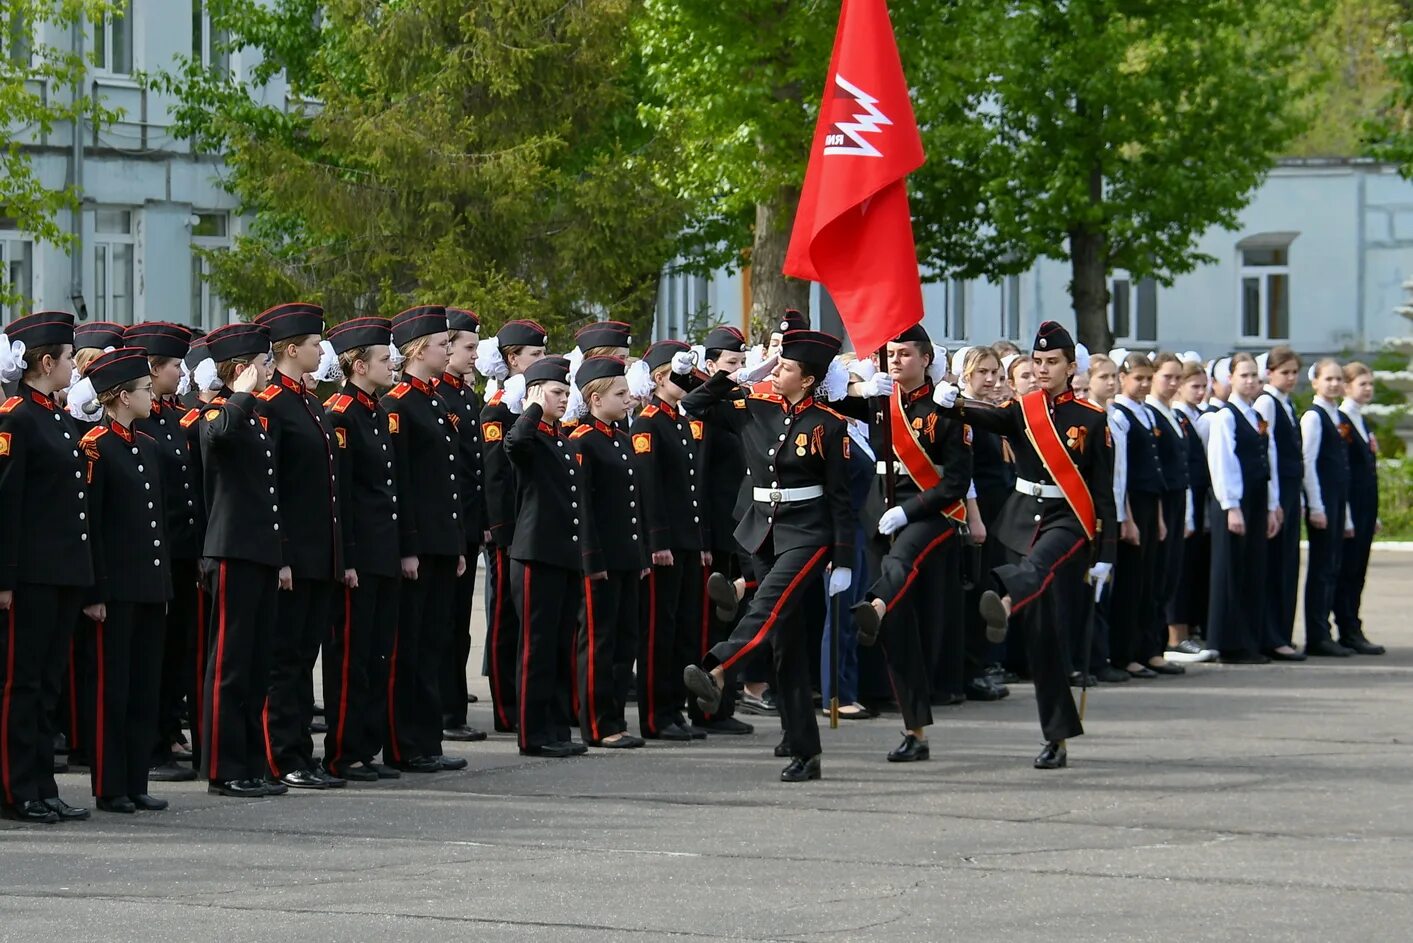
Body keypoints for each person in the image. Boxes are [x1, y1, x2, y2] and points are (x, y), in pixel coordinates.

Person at [933, 321, 1116, 770]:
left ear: (1072, 368)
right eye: (1038, 362)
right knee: (1043, 639)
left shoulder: (1091, 420)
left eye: (1052, 362)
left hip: (1066, 522)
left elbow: (1103, 491)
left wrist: (1106, 553)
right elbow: (983, 414)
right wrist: (949, 403)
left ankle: (1009, 597)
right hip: (1019, 522)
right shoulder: (1021, 409)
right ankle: (1057, 735)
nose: (1043, 369)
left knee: (1040, 568)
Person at [682, 330, 855, 783]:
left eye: (786, 368)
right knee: (786, 646)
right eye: (776, 365)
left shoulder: (829, 424)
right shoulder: (752, 407)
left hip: (807, 532)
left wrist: (844, 557)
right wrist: (736, 375)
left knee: (767, 605)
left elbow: (840, 497)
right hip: (761, 531)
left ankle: (717, 666)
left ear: (809, 379)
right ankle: (804, 749)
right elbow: (695, 405)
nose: (777, 371)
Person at [849, 324, 972, 763]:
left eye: (905, 354)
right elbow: (821, 393)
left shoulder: (945, 407)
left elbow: (956, 482)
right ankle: (913, 729)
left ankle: (874, 604)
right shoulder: (879, 400)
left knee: (898, 568)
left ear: (925, 359)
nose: (896, 361)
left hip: (929, 512)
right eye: (891, 353)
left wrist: (910, 510)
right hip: (879, 510)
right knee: (898, 630)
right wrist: (860, 385)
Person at [0, 311, 95, 823]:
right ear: (44, 361)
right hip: (31, 575)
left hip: (61, 573)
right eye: (65, 359)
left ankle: (43, 783)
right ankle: (17, 788)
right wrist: (4, 579)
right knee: (23, 683)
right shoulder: (16, 417)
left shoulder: (57, 418)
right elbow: (7, 503)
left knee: (49, 684)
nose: (72, 369)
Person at [249, 303, 345, 790]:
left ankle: (301, 754)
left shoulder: (308, 403)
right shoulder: (270, 404)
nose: (321, 350)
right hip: (292, 556)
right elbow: (272, 488)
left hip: (318, 554)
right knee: (285, 661)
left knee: (305, 655)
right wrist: (281, 554)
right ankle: (280, 755)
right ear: (291, 349)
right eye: (314, 343)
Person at [79, 348, 174, 813]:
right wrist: (95, 591)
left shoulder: (149, 446)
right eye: (141, 390)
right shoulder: (96, 446)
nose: (150, 396)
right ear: (119, 397)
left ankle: (135, 779)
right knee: (111, 690)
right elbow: (91, 527)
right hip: (115, 590)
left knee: (143, 687)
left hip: (148, 587)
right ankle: (110, 783)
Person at [198, 321, 286, 798]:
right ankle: (223, 767)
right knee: (229, 665)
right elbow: (220, 438)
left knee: (255, 665)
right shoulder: (218, 413)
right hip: (231, 551)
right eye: (263, 362)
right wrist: (241, 394)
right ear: (242, 369)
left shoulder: (253, 416)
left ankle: (251, 762)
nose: (269, 369)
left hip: (259, 552)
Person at [383, 305, 469, 773]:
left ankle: (427, 739)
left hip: (441, 541)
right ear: (419, 349)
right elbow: (403, 483)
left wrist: (454, 543)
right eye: (442, 344)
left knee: (433, 643)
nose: (449, 350)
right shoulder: (398, 403)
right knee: (410, 646)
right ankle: (404, 742)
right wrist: (410, 545)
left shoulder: (435, 400)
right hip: (418, 544)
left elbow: (449, 480)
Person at [321, 317, 404, 782]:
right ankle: (343, 752)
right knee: (350, 657)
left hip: (382, 551)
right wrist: (347, 558)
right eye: (383, 358)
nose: (391, 363)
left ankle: (366, 746)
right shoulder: (341, 414)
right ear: (358, 364)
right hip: (359, 556)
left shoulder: (375, 408)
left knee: (377, 653)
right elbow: (343, 494)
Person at [123, 321, 204, 782]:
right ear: (152, 370)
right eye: (174, 364)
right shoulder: (141, 421)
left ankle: (170, 728)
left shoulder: (174, 417)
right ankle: (153, 743)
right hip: (154, 553)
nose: (181, 372)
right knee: (151, 653)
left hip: (179, 551)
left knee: (177, 649)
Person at [500, 356, 591, 756]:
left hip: (563, 553)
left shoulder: (560, 439)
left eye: (565, 392)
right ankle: (532, 733)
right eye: (556, 391)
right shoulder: (530, 435)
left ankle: (554, 727)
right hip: (535, 554)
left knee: (558, 645)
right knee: (535, 646)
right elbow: (515, 443)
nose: (563, 398)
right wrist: (533, 404)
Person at [629, 339, 711, 741]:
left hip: (687, 539)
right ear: (660, 377)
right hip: (666, 543)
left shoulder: (679, 420)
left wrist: (700, 540)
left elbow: (692, 488)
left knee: (682, 629)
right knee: (659, 631)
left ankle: (675, 708)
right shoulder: (647, 422)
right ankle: (655, 714)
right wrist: (656, 540)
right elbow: (648, 488)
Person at [568, 356, 646, 748]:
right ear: (595, 399)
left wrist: (641, 555)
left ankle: (615, 715)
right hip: (600, 559)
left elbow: (633, 502)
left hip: (626, 556)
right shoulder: (582, 440)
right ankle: (597, 723)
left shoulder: (618, 436)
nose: (628, 399)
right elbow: (582, 508)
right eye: (620, 393)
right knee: (598, 641)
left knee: (624, 639)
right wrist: (590, 560)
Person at [478, 319, 548, 734]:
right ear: (512, 359)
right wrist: (502, 530)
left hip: (534, 528)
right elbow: (495, 477)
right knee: (506, 618)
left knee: (531, 621)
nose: (541, 361)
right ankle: (507, 707)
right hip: (511, 531)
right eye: (534, 355)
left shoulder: (534, 408)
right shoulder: (499, 411)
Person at [692, 325, 755, 735]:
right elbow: (699, 478)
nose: (739, 370)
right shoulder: (710, 408)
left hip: (743, 526)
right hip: (717, 530)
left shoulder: (741, 402)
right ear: (711, 365)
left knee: (736, 618)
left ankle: (725, 703)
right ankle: (706, 708)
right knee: (712, 622)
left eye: (741, 363)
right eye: (731, 363)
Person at [1205, 353, 1281, 664]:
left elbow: (1268, 460)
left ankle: (1249, 640)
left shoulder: (1254, 415)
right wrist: (1231, 506)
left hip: (1256, 497)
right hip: (1234, 499)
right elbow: (1222, 463)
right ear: (1230, 379)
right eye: (1244, 375)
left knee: (1252, 567)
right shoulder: (1226, 416)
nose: (1251, 381)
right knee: (1231, 569)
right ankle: (1228, 642)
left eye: (1254, 376)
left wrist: (1271, 505)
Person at [1109, 354, 1180, 679]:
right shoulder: (1120, 414)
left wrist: (1161, 516)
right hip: (1133, 504)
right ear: (1124, 378)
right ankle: (1128, 651)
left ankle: (1151, 647)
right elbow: (1123, 472)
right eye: (1137, 378)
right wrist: (1127, 517)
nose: (1143, 385)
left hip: (1153, 503)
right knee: (1132, 582)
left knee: (1153, 579)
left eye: (1146, 379)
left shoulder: (1146, 412)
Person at [437, 307, 489, 743]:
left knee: (458, 626)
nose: (475, 354)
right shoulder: (439, 397)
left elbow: (476, 469)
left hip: (466, 524)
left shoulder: (465, 397)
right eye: (467, 347)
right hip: (445, 527)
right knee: (444, 624)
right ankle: (443, 710)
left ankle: (453, 708)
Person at [955, 345, 1017, 698]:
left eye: (996, 372)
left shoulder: (991, 411)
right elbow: (967, 472)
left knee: (993, 585)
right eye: (984, 372)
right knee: (977, 588)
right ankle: (971, 668)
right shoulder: (964, 412)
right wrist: (974, 518)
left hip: (1000, 508)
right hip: (978, 510)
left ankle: (987, 661)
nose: (992, 379)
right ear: (966, 374)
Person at [1301, 359, 1357, 659]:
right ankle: (1316, 634)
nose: (1334, 384)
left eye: (1338, 379)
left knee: (1333, 567)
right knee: (1321, 569)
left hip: (1337, 499)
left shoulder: (1335, 415)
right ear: (1315, 382)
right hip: (1322, 500)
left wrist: (1344, 513)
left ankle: (1326, 631)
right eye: (1329, 379)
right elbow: (1308, 463)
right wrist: (1316, 505)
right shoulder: (1313, 416)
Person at [1144, 353, 1193, 673]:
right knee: (1156, 575)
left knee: (1170, 573)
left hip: (1176, 500)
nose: (1173, 383)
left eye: (1178, 378)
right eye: (1167, 377)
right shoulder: (1150, 412)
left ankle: (1158, 645)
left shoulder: (1170, 413)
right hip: (1158, 503)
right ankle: (1152, 647)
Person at [1165, 361, 1217, 662]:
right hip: (1184, 501)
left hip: (1197, 502)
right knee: (1180, 572)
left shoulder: (1194, 417)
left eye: (1202, 386)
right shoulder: (1180, 417)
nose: (1199, 392)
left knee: (1193, 569)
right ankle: (1176, 636)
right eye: (1193, 386)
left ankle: (1190, 630)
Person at [1333, 362, 1386, 655]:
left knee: (1359, 570)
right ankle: (1347, 627)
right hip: (1351, 505)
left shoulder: (1361, 420)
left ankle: (1353, 624)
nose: (1368, 389)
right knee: (1348, 570)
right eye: (1362, 383)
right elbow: (1346, 472)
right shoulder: (1342, 420)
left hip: (1365, 506)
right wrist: (1350, 514)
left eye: (1370, 384)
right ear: (1347, 386)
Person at [1255, 346, 1304, 657]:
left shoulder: (1287, 404)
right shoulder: (1267, 402)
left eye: (1294, 372)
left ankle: (1282, 632)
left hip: (1289, 488)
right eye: (1284, 372)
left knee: (1288, 564)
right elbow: (1268, 451)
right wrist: (1274, 500)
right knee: (1275, 566)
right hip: (1277, 490)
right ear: (1270, 373)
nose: (1290, 378)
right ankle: (1272, 635)